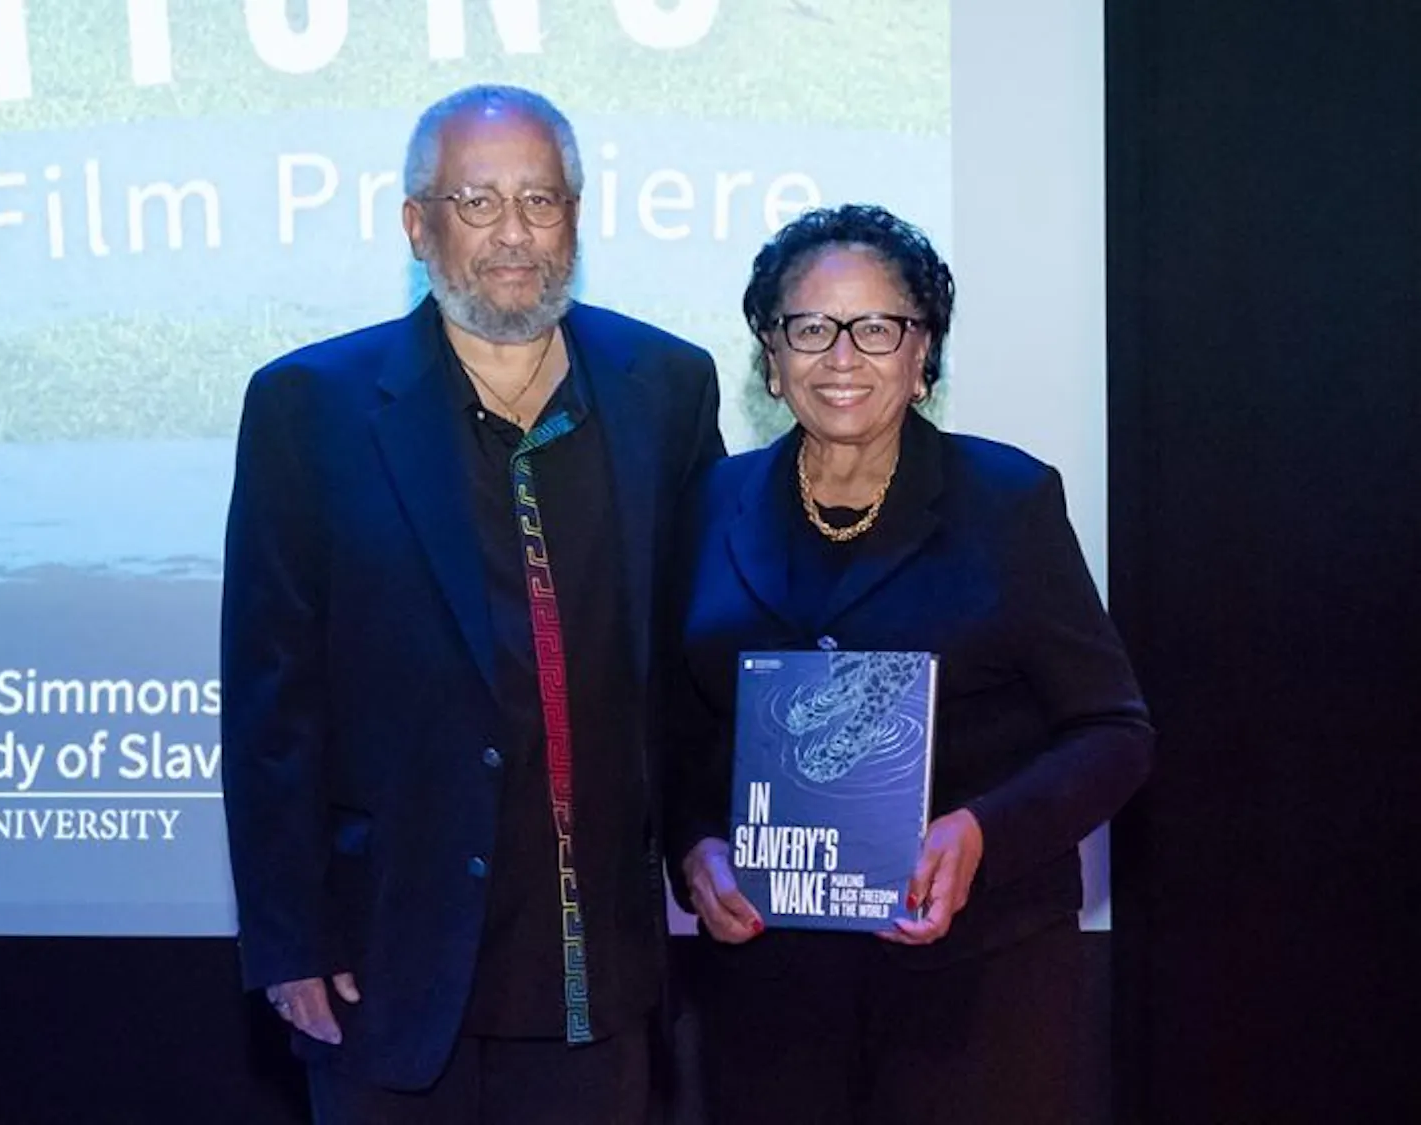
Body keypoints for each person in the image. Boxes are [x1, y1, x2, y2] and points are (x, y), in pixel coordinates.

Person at [220, 84, 723, 1125]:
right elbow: (273, 697)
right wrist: (288, 936)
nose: (513, 234)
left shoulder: (666, 385)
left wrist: (701, 839)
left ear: (576, 220)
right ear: (418, 223)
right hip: (387, 955)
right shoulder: (309, 407)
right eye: (477, 201)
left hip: (598, 963)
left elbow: (692, 655)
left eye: (540, 202)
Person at [664, 204, 1154, 1125]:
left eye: (877, 327)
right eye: (808, 327)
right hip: (769, 988)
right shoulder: (710, 503)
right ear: (771, 356)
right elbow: (678, 726)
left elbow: (1114, 732)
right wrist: (694, 847)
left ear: (922, 355)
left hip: (977, 981)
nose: (841, 355)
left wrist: (981, 832)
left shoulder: (1007, 500)